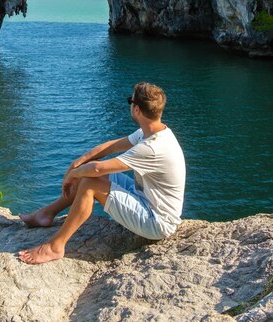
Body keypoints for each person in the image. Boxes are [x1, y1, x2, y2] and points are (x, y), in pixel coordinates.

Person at [18, 82, 186, 265]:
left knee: (90, 183)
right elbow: (111, 146)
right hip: (145, 198)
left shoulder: (152, 148)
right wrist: (79, 163)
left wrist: (72, 175)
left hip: (157, 221)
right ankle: (46, 214)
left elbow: (99, 169)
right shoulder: (151, 133)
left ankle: (55, 247)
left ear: (136, 109)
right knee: (86, 173)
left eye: (130, 100)